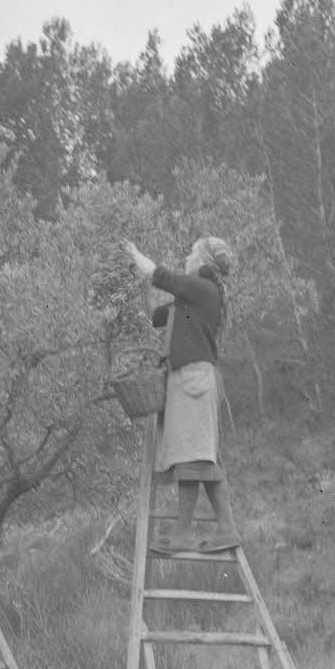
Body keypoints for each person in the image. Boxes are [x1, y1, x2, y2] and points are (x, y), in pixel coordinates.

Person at [123, 235, 240, 553]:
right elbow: (154, 317)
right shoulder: (191, 298)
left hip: (193, 382)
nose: (187, 257)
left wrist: (135, 254)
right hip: (190, 382)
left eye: (191, 253)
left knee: (193, 458)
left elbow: (162, 274)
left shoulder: (202, 288)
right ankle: (222, 529)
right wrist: (144, 287)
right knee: (201, 458)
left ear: (203, 261)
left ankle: (183, 533)